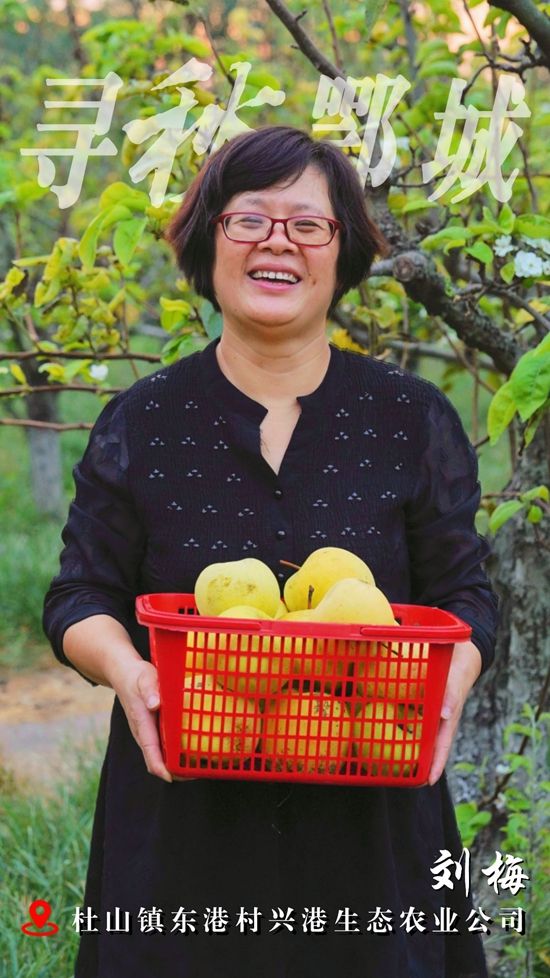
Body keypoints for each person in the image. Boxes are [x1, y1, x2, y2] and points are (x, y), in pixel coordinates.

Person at [43, 125, 498, 978]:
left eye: (308, 224)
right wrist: (130, 673)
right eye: (249, 219)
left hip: (370, 817)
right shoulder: (144, 420)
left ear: (343, 252)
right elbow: (79, 594)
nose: (277, 242)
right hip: (184, 825)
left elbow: (465, 594)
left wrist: (451, 680)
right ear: (207, 243)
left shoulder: (410, 418)